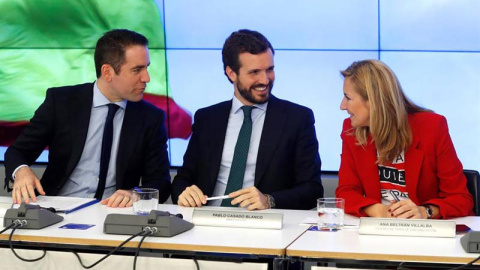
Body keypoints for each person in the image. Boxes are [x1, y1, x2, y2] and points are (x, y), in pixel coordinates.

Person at [4, 29, 171, 207]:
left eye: (147, 67)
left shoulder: (150, 118)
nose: (147, 78)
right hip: (56, 209)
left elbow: (160, 183)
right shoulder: (61, 102)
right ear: (107, 72)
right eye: (137, 70)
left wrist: (134, 194)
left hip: (113, 215)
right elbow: (17, 152)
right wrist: (21, 171)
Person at [171, 29, 323, 210]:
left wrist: (269, 200)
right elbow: (183, 179)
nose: (265, 80)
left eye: (270, 70)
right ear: (231, 73)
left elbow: (312, 189)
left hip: (265, 225)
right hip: (208, 220)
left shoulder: (297, 119)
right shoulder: (207, 119)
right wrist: (184, 193)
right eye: (254, 72)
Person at [336, 59, 473, 219]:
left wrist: (424, 211)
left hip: (425, 233)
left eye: (348, 97)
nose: (342, 106)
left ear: (373, 101)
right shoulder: (351, 129)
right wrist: (376, 210)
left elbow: (461, 199)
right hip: (378, 228)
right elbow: (346, 192)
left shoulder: (432, 127)